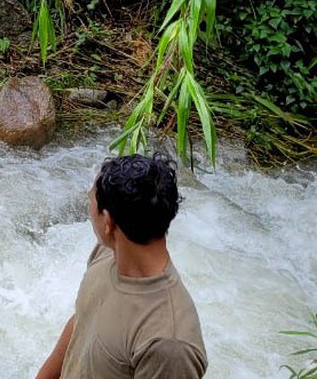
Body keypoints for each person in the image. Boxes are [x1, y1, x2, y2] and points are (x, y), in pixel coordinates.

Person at [35, 153, 208, 379]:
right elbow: (82, 319)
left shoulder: (168, 345)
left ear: (107, 222)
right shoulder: (110, 252)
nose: (89, 208)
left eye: (91, 201)